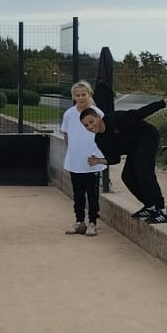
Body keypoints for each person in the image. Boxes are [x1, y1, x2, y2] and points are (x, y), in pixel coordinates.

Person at [83, 97, 167, 223]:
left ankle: (161, 210)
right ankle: (150, 205)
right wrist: (98, 161)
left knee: (143, 171)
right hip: (134, 148)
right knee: (127, 176)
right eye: (86, 125)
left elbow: (140, 113)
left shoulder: (115, 118)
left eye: (91, 122)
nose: (91, 126)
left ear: (98, 117)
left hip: (147, 136)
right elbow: (114, 159)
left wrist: (163, 103)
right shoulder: (100, 140)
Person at [61, 80, 104, 236]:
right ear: (74, 97)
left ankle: (92, 222)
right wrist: (73, 151)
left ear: (89, 94)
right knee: (78, 193)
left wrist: (99, 155)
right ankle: (79, 221)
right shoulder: (69, 114)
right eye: (78, 95)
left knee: (92, 193)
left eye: (83, 94)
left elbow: (103, 134)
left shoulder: (98, 113)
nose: (81, 98)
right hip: (75, 161)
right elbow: (66, 134)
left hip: (92, 161)